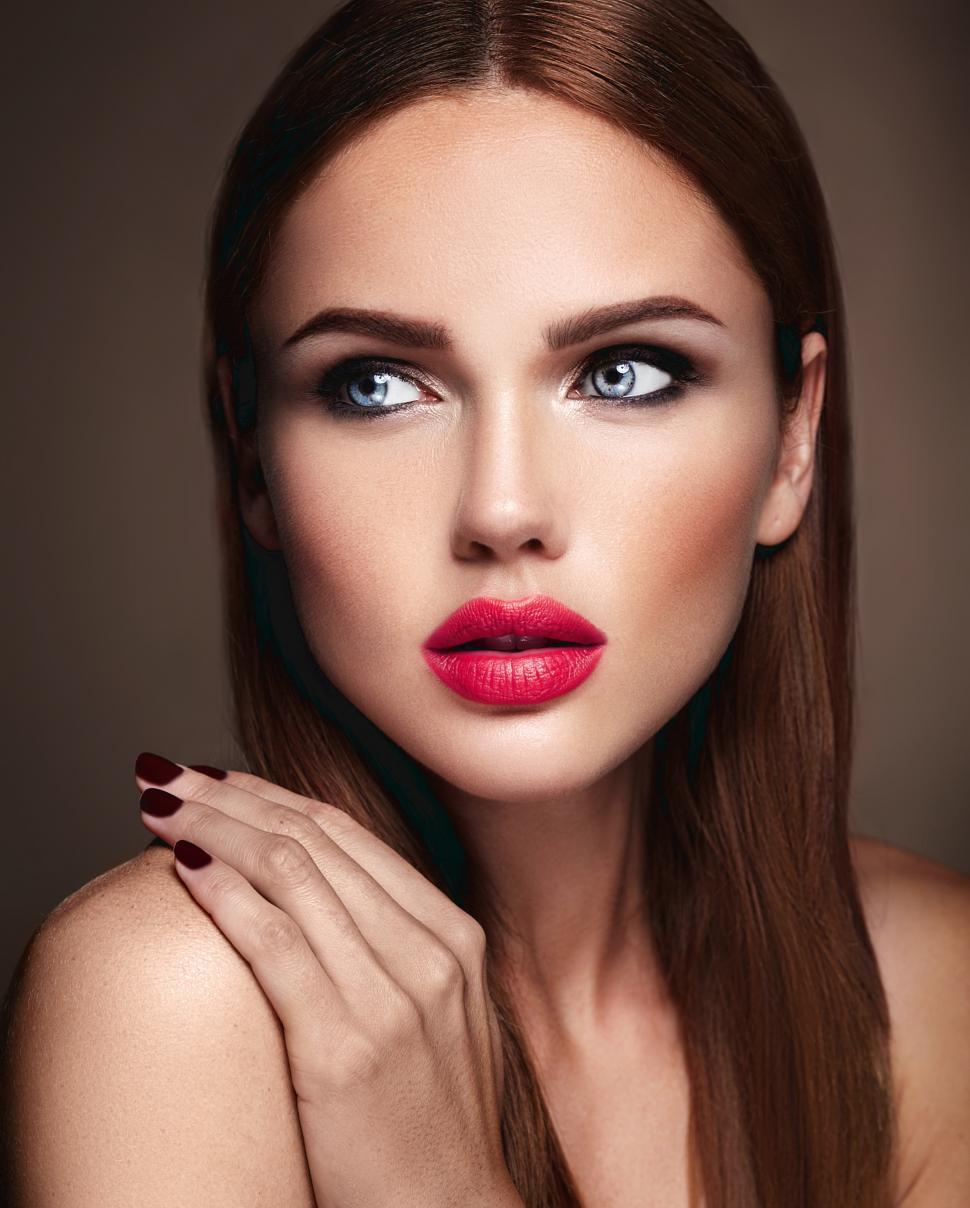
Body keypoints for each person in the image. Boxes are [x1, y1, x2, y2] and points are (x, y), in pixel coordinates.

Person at [2, 0, 968, 1204]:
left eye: (623, 373)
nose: (502, 509)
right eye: (375, 384)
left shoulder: (937, 983)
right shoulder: (174, 1002)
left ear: (791, 439)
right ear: (253, 455)